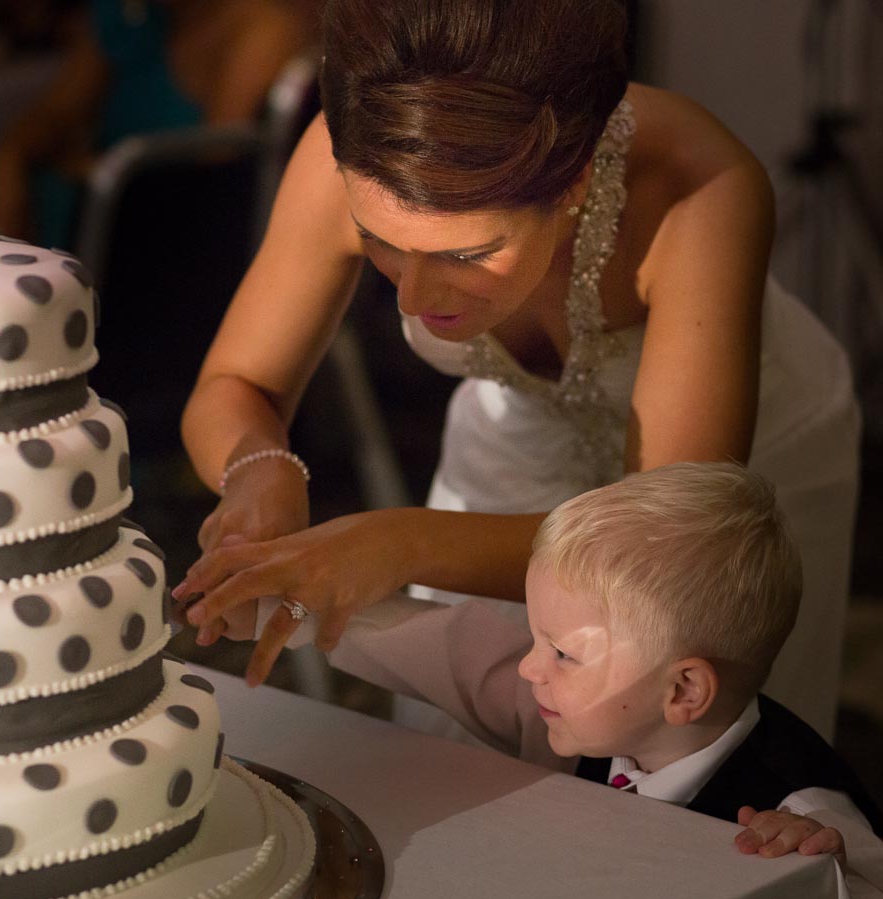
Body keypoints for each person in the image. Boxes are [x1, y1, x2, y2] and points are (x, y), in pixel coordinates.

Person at [174, 0, 860, 741]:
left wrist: (398, 543)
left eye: (467, 255)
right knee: (464, 748)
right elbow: (237, 384)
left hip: (719, 503)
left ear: (575, 183)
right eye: (381, 242)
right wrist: (258, 469)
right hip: (519, 444)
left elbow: (661, 544)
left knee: (695, 754)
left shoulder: (698, 186)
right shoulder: (355, 149)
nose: (413, 299)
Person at [251, 463, 883, 899]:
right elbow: (447, 650)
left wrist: (832, 868)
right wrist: (284, 610)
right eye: (536, 639)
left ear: (683, 692)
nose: (530, 667)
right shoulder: (582, 714)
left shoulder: (800, 814)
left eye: (562, 652)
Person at [0, 0, 312, 247]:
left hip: (163, 221)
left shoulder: (261, 30)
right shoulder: (129, 14)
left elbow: (213, 173)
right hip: (92, 196)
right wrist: (11, 158)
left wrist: (95, 171)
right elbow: (56, 112)